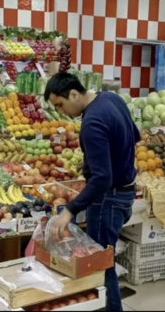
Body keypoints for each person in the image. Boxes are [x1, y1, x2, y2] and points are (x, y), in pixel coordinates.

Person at [44, 73, 139, 312]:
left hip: (108, 198)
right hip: (126, 194)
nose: (61, 111)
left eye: (60, 105)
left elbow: (102, 179)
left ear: (74, 94)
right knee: (103, 260)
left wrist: (69, 212)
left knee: (99, 266)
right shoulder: (111, 98)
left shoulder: (92, 122)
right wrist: (93, 162)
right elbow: (132, 137)